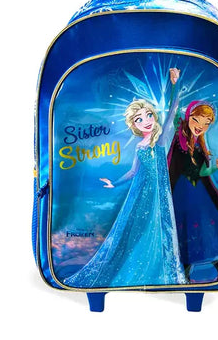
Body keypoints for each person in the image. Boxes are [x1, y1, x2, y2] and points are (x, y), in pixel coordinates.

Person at [65, 68, 186, 288]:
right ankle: (139, 272)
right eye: (140, 119)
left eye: (149, 115)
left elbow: (173, 110)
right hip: (141, 195)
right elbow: (132, 172)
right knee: (136, 231)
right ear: (134, 126)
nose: (146, 121)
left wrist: (175, 84)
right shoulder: (140, 147)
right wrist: (114, 183)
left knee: (159, 231)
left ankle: (158, 273)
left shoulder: (160, 141)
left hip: (159, 195)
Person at [168, 100, 218, 282]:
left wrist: (215, 167)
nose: (201, 126)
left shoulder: (200, 146)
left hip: (198, 193)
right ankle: (185, 275)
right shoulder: (180, 138)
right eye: (196, 120)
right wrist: (175, 91)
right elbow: (173, 114)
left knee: (207, 230)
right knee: (186, 231)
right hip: (183, 192)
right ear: (188, 117)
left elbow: (203, 172)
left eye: (206, 123)